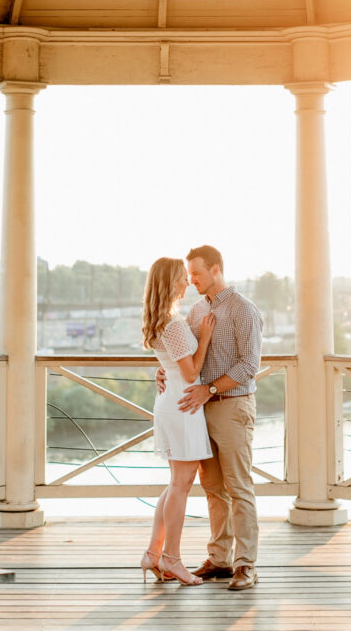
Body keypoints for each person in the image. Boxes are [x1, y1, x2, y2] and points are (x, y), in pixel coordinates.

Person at [157, 245, 263, 591]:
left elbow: (249, 366)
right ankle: (220, 559)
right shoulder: (196, 310)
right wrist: (161, 373)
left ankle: (246, 564)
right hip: (199, 410)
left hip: (232, 407)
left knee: (239, 486)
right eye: (189, 276)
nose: (192, 281)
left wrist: (211, 391)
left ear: (216, 270)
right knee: (214, 489)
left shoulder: (244, 310)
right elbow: (182, 356)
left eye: (197, 274)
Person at [140, 256, 216, 586]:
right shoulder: (172, 323)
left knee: (176, 483)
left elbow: (171, 365)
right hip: (183, 404)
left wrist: (164, 370)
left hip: (173, 400)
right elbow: (190, 371)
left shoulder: (163, 321)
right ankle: (171, 557)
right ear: (172, 283)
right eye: (183, 278)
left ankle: (154, 554)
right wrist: (208, 338)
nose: (187, 283)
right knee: (182, 485)